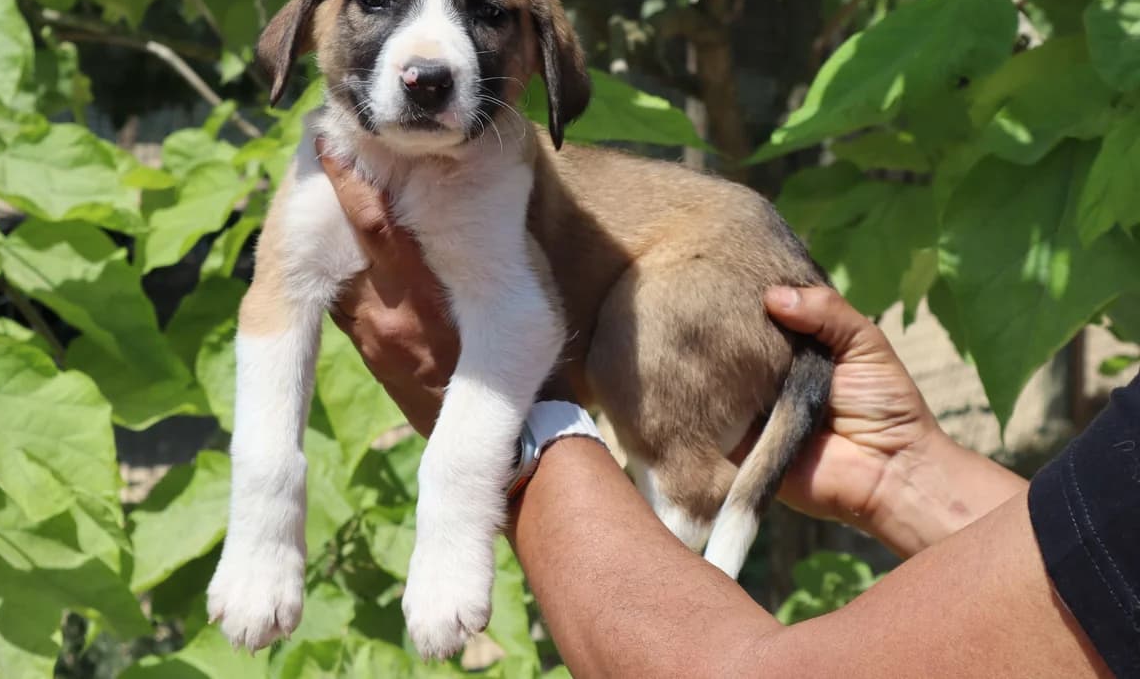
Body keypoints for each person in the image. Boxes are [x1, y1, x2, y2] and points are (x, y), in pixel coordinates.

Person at [319, 154, 1136, 678]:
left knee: (647, 400)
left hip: (691, 277)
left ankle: (688, 513)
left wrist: (504, 407)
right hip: (717, 277)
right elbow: (1099, 569)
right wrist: (897, 469)